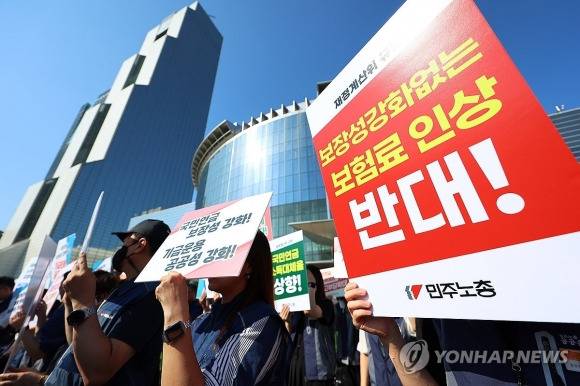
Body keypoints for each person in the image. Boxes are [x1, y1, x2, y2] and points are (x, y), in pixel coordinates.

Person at [44, 219, 170, 385]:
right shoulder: (123, 289)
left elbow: (97, 373)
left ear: (140, 245)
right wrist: (71, 303)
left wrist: (83, 302)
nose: (121, 250)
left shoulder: (152, 295)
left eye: (125, 245)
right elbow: (76, 344)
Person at [155, 230, 289, 385]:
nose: (211, 261)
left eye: (223, 252)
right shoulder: (201, 322)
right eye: (211, 253)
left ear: (249, 265)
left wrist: (175, 314)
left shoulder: (262, 322)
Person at [345, 282, 437, 386]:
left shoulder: (404, 315)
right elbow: (365, 351)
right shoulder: (367, 314)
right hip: (378, 381)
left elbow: (414, 327)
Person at [284, 264, 336, 386]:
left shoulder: (326, 304)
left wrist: (310, 285)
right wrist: (287, 321)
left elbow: (310, 311)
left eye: (307, 280)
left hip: (317, 372)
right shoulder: (296, 307)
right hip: (294, 369)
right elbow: (288, 335)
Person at [0, 277, 16, 362]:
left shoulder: (15, 301)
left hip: (7, 344)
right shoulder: (3, 302)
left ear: (6, 289)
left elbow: (3, 324)